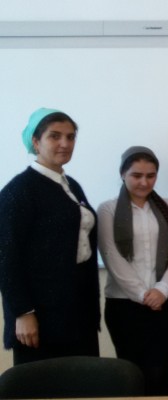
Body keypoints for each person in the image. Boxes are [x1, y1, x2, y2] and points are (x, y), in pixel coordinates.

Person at [0, 108, 100, 365]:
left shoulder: (71, 185)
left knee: (84, 381)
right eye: (55, 136)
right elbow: (6, 257)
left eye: (70, 137)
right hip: (41, 316)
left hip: (78, 310)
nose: (65, 143)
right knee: (44, 383)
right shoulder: (19, 190)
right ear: (36, 142)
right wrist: (23, 312)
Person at [97, 146, 168, 395]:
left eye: (151, 175)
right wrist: (143, 294)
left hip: (166, 304)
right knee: (132, 376)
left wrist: (162, 290)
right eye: (137, 175)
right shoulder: (108, 209)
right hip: (124, 306)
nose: (144, 182)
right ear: (122, 174)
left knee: (162, 373)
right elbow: (111, 255)